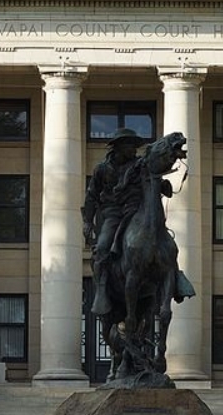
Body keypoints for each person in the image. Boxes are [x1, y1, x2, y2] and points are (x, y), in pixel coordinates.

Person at [83, 128, 150, 315]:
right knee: (102, 248)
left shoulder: (140, 165)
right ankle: (102, 288)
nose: (134, 150)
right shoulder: (102, 169)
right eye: (130, 145)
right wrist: (88, 221)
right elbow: (91, 196)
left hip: (137, 211)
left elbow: (152, 179)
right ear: (119, 146)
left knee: (164, 244)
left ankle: (176, 279)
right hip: (113, 214)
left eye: (135, 146)